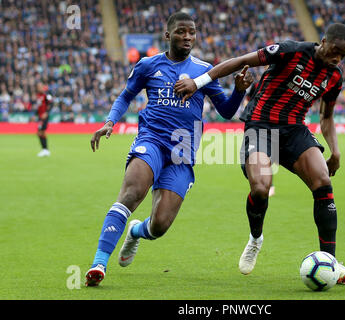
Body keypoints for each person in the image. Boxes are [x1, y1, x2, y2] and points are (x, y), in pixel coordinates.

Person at [175, 23, 345, 284]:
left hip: (294, 129)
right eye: (335, 50)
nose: (338, 58)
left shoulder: (334, 77)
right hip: (261, 125)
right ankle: (255, 239)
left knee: (323, 183)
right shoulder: (290, 51)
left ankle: (331, 262)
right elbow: (240, 61)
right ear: (324, 41)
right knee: (260, 188)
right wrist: (198, 81)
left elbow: (327, 117)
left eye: (344, 54)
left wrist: (336, 152)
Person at [85, 12, 253, 286]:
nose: (187, 37)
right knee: (132, 192)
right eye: (181, 32)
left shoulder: (204, 71)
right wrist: (109, 122)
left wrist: (238, 91)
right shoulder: (148, 65)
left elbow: (226, 111)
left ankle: (136, 232)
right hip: (151, 140)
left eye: (192, 32)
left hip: (183, 152)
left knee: (160, 225)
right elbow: (126, 95)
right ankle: (99, 264)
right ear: (167, 35)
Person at [35, 83, 51, 157]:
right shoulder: (38, 96)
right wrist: (35, 114)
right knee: (39, 133)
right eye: (38, 87)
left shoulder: (46, 96)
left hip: (44, 116)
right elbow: (39, 107)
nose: (39, 88)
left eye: (40, 87)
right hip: (40, 116)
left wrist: (46, 113)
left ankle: (45, 150)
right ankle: (45, 150)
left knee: (41, 132)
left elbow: (50, 104)